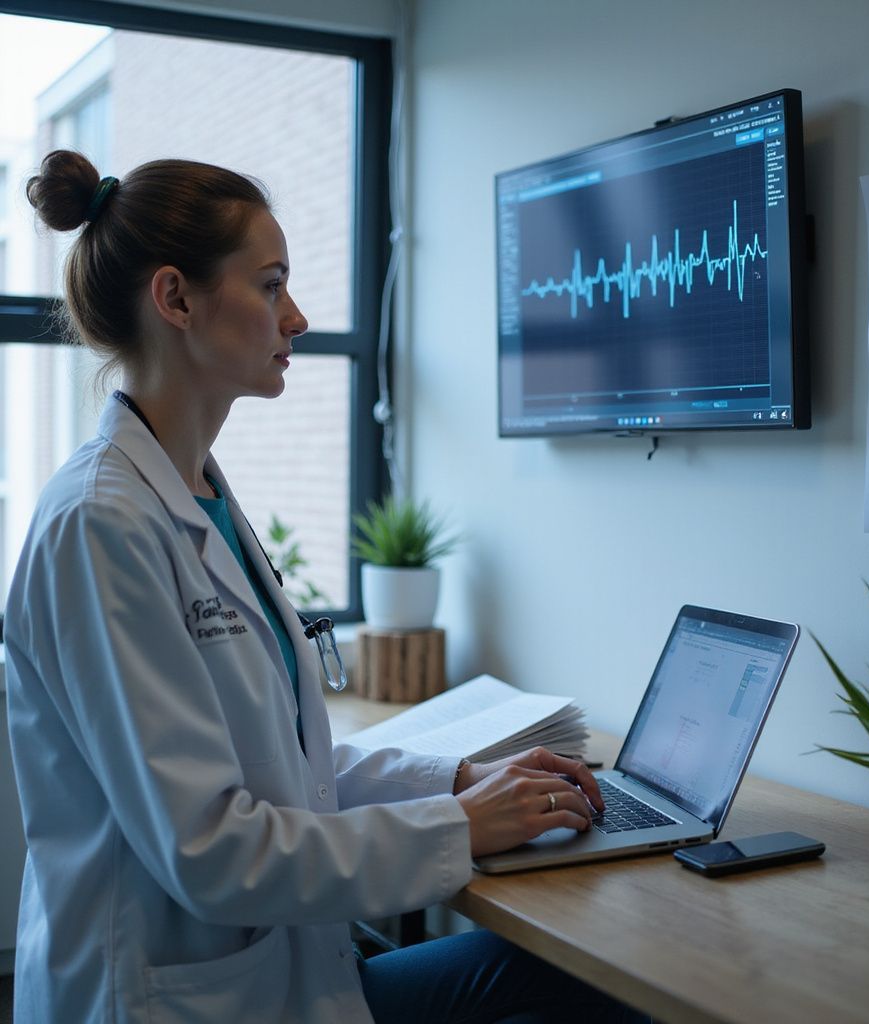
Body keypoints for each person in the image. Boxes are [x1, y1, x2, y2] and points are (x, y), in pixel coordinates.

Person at [3, 150, 650, 1024]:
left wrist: (458, 775)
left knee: (574, 977)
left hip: (281, 981)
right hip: (169, 999)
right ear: (177, 299)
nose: (297, 317)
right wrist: (462, 824)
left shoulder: (195, 492)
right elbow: (210, 852)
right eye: (271, 287)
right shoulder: (102, 526)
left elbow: (290, 776)